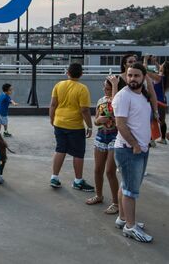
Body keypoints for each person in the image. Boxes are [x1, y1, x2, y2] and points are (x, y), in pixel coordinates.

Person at [112, 63, 153, 243]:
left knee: (126, 185)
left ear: (143, 77)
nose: (132, 79)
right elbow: (120, 124)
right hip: (129, 150)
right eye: (129, 75)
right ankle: (130, 226)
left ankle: (122, 218)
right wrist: (135, 144)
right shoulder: (123, 96)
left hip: (141, 149)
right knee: (130, 191)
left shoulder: (143, 94)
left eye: (136, 75)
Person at [49, 62, 94, 191]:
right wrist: (90, 127)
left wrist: (52, 119)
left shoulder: (59, 85)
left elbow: (53, 104)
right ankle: (78, 181)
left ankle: (54, 177)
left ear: (67, 73)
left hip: (59, 122)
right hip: (75, 126)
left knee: (60, 149)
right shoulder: (82, 88)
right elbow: (84, 110)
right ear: (81, 74)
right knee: (78, 153)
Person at [85, 78, 124, 214]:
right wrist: (98, 120)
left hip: (115, 136)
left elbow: (116, 105)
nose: (105, 91)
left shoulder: (120, 99)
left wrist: (114, 85)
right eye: (104, 88)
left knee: (110, 171)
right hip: (102, 135)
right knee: (97, 169)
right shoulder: (101, 100)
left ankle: (116, 202)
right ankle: (99, 195)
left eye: (109, 88)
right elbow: (96, 121)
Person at [144, 57, 169, 144]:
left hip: (156, 102)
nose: (160, 66)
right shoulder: (166, 77)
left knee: (151, 120)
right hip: (163, 102)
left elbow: (145, 71)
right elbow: (160, 69)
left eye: (161, 65)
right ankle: (163, 139)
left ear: (164, 68)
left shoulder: (158, 77)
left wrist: (146, 60)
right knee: (162, 121)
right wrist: (155, 62)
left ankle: (151, 140)